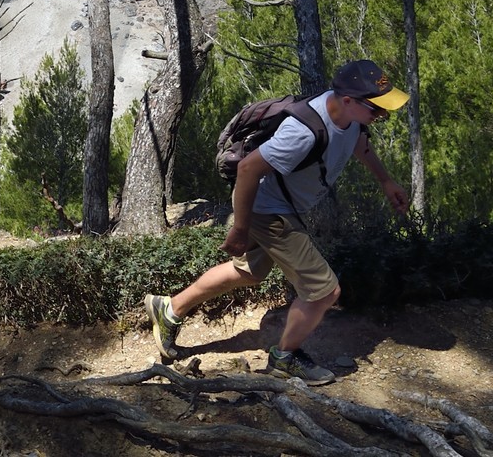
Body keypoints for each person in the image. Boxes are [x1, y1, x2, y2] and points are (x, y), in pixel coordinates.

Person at [144, 59, 411, 385]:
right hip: (269, 209)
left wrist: (386, 181)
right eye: (377, 110)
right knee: (324, 291)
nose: (382, 115)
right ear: (347, 101)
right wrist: (240, 229)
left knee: (249, 271)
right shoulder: (302, 132)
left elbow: (359, 143)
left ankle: (168, 309)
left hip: (282, 205)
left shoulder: (350, 117)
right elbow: (247, 170)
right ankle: (285, 359)